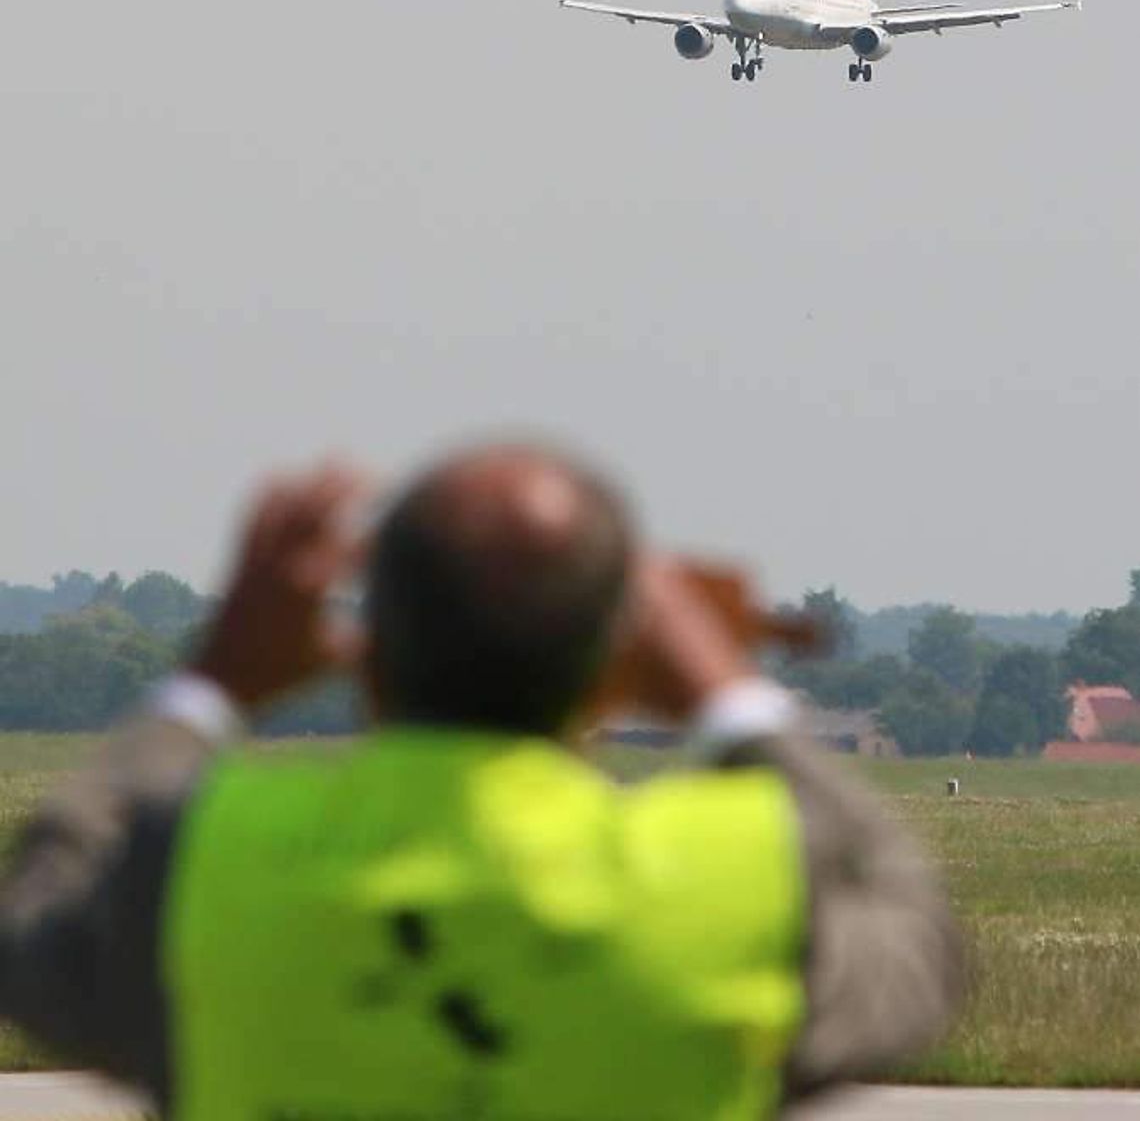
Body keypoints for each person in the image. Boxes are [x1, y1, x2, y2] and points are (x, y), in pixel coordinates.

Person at [0, 444, 962, 1119]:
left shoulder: (215, 858)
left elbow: (38, 924)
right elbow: (915, 943)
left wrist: (210, 687)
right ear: (610, 674)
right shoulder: (727, 879)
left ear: (369, 658)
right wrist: (727, 692)